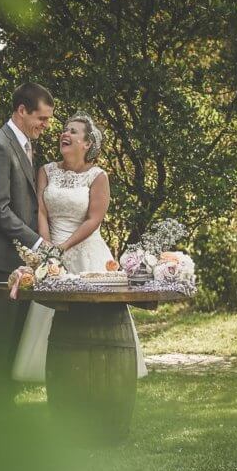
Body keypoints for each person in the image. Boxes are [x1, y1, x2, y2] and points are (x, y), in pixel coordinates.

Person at [11, 112, 147, 382]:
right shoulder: (46, 170)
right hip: (51, 252)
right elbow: (41, 210)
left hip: (87, 251)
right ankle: (54, 370)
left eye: (73, 131)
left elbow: (94, 219)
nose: (65, 134)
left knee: (94, 315)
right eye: (64, 130)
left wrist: (64, 247)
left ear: (87, 144)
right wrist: (48, 248)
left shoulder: (98, 176)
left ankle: (101, 368)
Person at [0, 82, 55, 409]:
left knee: (14, 338)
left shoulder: (23, 144)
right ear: (22, 110)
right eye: (42, 118)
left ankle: (6, 409)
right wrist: (38, 243)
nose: (46, 126)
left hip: (18, 259)